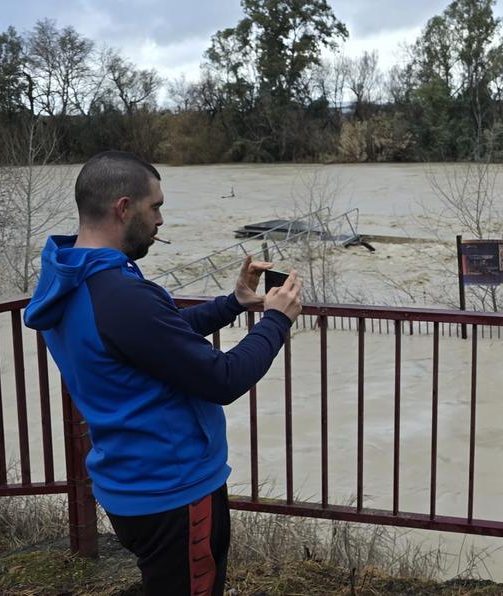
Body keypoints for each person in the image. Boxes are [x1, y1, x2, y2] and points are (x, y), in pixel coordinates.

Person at [24, 150, 302, 595]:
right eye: (155, 207)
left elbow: (154, 341)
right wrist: (277, 320)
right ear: (123, 207)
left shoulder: (70, 275)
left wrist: (233, 304)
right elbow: (222, 379)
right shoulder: (119, 294)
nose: (160, 220)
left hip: (128, 479)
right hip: (174, 490)